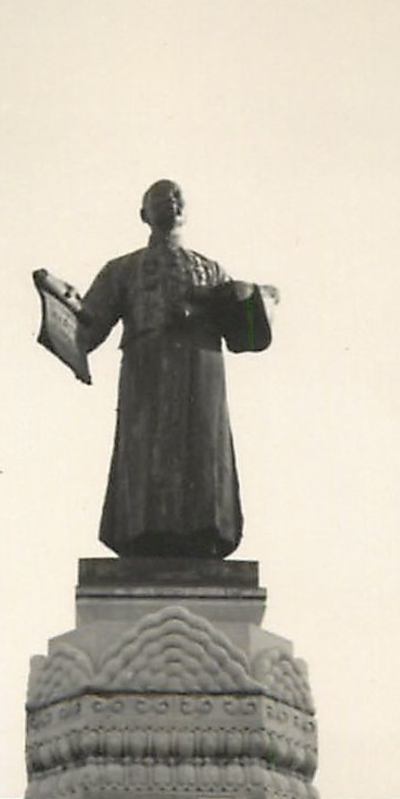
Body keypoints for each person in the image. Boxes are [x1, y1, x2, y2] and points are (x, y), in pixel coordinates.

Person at [80, 180, 277, 559]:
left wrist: (257, 296)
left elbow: (247, 329)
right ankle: (141, 533)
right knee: (145, 449)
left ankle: (208, 532)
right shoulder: (123, 269)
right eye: (161, 196)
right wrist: (61, 304)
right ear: (144, 214)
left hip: (201, 371)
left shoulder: (213, 270)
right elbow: (88, 325)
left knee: (202, 447)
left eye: (178, 196)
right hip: (147, 366)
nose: (172, 201)